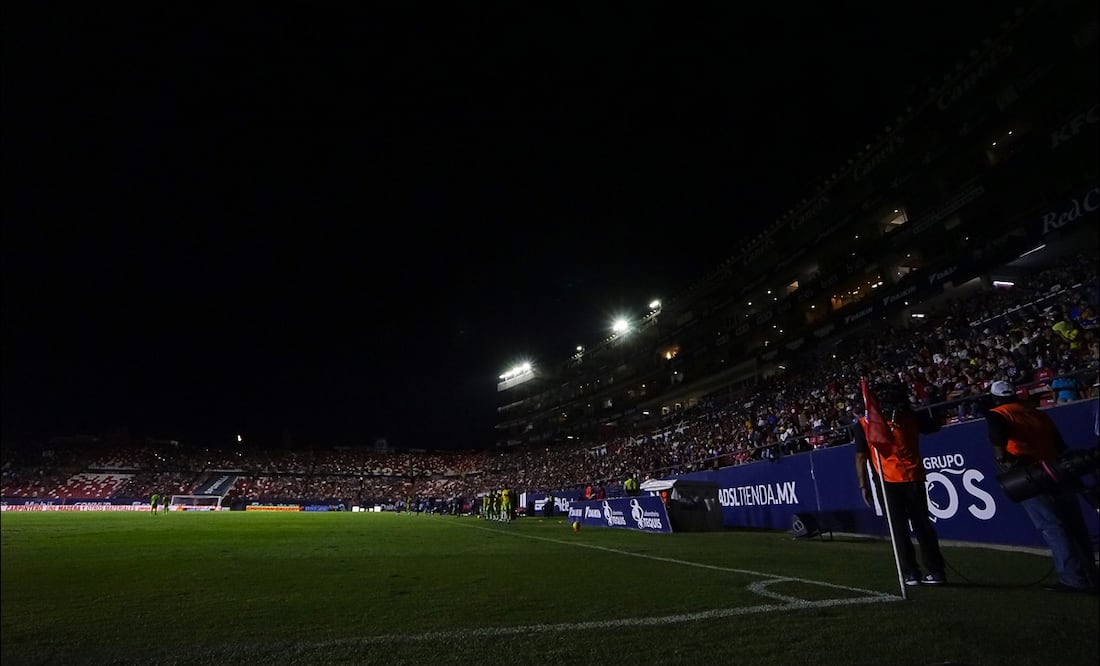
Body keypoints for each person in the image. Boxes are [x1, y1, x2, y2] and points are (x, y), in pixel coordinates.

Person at [984, 380, 1099, 594]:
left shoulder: (997, 414)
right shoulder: (1036, 413)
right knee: (1075, 525)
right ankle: (1091, 575)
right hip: (1057, 469)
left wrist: (1006, 463)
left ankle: (1073, 578)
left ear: (995, 398)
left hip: (1030, 476)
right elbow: (1060, 446)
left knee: (1052, 526)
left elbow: (998, 444)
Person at [853, 380, 948, 586]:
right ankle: (936, 571)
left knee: (898, 528)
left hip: (888, 481)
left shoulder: (865, 424)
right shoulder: (910, 417)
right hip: (914, 478)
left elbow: (861, 457)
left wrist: (863, 485)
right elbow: (935, 425)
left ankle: (910, 573)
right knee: (923, 526)